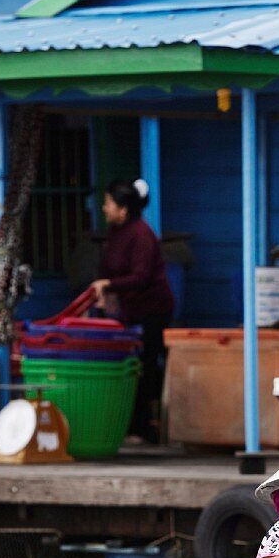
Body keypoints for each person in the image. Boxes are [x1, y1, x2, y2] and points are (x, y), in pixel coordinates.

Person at [90, 178, 174, 444]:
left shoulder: (141, 234)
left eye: (108, 203)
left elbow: (141, 276)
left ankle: (143, 430)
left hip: (151, 310)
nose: (104, 208)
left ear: (123, 209)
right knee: (128, 367)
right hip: (128, 313)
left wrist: (110, 285)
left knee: (145, 368)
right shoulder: (118, 233)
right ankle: (129, 426)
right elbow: (109, 269)